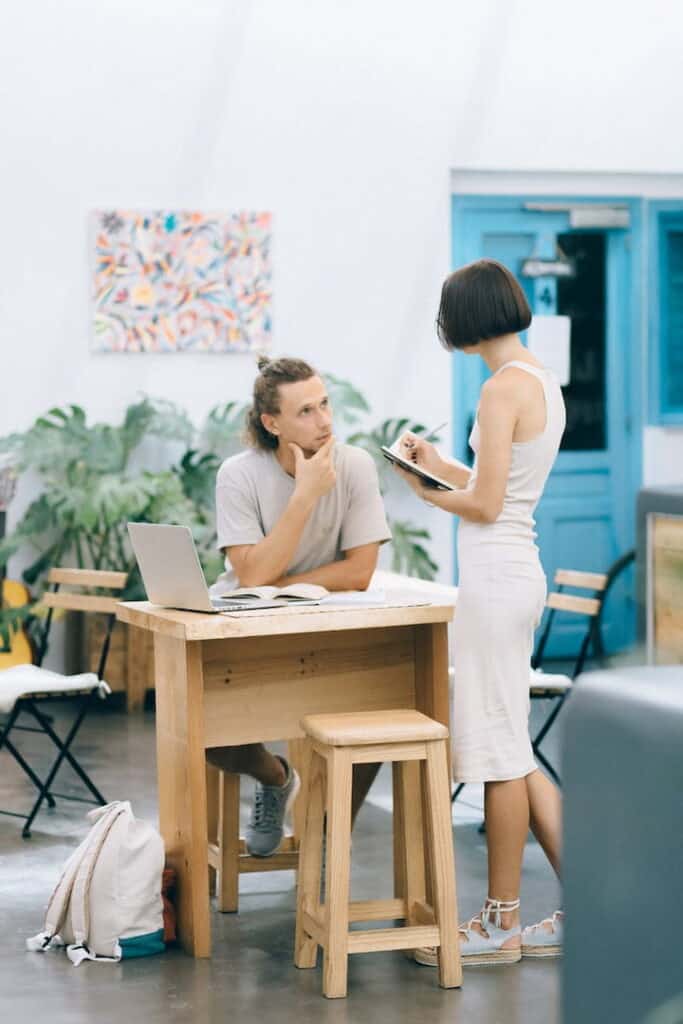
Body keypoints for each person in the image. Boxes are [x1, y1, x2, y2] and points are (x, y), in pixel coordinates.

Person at [393, 259, 566, 966]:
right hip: (515, 570)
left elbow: (486, 506)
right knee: (513, 748)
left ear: (460, 322)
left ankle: (498, 925)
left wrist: (423, 491)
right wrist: (440, 465)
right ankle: (595, 900)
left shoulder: (499, 391)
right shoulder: (537, 380)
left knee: (497, 756)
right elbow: (500, 487)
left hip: (495, 578)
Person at [206, 356, 391, 858]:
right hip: (246, 632)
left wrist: (283, 580)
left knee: (377, 714)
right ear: (272, 423)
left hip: (328, 634)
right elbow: (250, 575)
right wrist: (304, 497)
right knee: (209, 735)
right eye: (306, 411)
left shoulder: (354, 466)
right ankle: (275, 778)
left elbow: (359, 571)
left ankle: (327, 834)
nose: (325, 421)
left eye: (325, 404)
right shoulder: (238, 475)